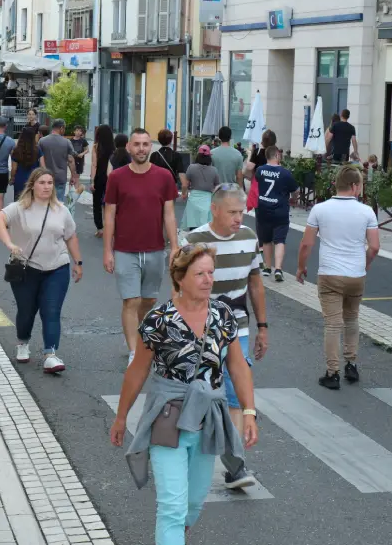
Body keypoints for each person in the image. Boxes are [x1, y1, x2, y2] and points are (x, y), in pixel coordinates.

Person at [109, 244, 258, 545]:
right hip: (168, 420)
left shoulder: (223, 315)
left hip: (207, 421)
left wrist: (249, 410)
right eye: (199, 273)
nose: (207, 279)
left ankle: (177, 533)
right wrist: (122, 417)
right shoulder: (158, 320)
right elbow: (137, 371)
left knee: (192, 505)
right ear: (180, 278)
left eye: (210, 273)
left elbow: (238, 367)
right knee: (173, 508)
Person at [181, 186, 268, 490]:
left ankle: (236, 465)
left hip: (237, 328)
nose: (238, 218)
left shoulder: (248, 237)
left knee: (235, 394)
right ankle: (187, 455)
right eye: (232, 212)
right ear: (215, 210)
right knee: (199, 393)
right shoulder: (193, 242)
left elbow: (255, 282)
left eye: (241, 211)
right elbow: (178, 289)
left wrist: (263, 326)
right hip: (200, 330)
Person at [296, 165, 379, 389]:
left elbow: (306, 244)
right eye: (360, 185)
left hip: (330, 273)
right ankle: (351, 364)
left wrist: (301, 267)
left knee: (333, 324)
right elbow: (374, 247)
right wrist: (365, 263)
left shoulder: (319, 210)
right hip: (356, 274)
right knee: (352, 318)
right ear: (354, 186)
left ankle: (332, 373)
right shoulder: (367, 212)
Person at [0, 168, 83, 373]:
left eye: (50, 183)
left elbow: (71, 236)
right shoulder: (19, 208)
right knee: (26, 311)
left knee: (51, 311)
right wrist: (9, 244)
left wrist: (78, 263)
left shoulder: (61, 210)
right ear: (33, 185)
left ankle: (50, 354)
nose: (46, 187)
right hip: (26, 269)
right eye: (42, 183)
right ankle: (23, 341)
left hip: (57, 267)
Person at [103, 128, 179, 366]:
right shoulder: (117, 177)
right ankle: (135, 351)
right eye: (137, 144)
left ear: (151, 147)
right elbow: (110, 215)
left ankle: (141, 332)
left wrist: (174, 246)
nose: (141, 149)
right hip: (125, 249)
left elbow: (169, 214)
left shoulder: (164, 176)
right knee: (131, 300)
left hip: (155, 249)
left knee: (148, 301)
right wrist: (108, 250)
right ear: (129, 147)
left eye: (146, 144)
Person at [253, 146, 299, 281]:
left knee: (266, 240)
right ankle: (278, 269)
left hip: (263, 208)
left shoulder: (260, 171)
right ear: (277, 156)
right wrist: (293, 199)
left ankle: (267, 267)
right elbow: (295, 190)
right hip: (280, 210)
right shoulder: (285, 173)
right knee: (279, 240)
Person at [180, 145, 218, 231]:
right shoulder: (214, 170)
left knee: (193, 226)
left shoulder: (191, 167)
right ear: (209, 157)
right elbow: (217, 186)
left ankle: (194, 243)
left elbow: (185, 185)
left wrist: (183, 194)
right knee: (206, 227)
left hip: (193, 199)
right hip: (207, 200)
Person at [38, 119, 78, 199]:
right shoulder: (66, 142)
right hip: (60, 178)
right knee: (58, 205)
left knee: (45, 203)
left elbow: (39, 159)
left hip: (45, 177)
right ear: (61, 128)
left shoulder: (42, 141)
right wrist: (73, 176)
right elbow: (70, 160)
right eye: (64, 128)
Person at [90, 124, 115, 238]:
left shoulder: (96, 147)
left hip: (99, 177)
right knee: (109, 203)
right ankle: (111, 227)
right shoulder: (114, 148)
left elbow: (94, 165)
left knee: (97, 203)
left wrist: (92, 181)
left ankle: (100, 228)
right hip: (111, 178)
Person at [10, 125, 41, 201]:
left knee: (19, 202)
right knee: (32, 201)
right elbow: (43, 165)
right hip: (34, 179)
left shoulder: (16, 150)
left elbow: (14, 168)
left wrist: (12, 178)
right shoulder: (37, 149)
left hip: (20, 179)